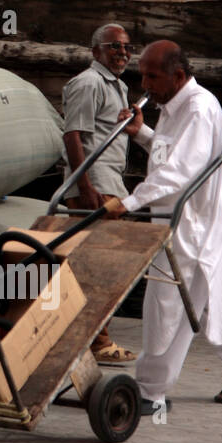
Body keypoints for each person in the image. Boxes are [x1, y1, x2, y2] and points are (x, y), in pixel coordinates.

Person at [106, 41, 222, 417]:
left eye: (152, 76)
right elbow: (174, 155)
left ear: (179, 75)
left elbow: (182, 171)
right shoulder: (172, 106)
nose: (145, 83)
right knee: (220, 299)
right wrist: (141, 133)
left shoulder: (199, 108)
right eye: (143, 75)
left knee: (169, 305)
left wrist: (129, 201)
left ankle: (150, 391)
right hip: (189, 221)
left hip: (196, 224)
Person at [61, 23, 137, 364]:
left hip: (110, 183)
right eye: (114, 47)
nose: (122, 52)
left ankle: (95, 339)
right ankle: (98, 343)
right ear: (96, 52)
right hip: (96, 185)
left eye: (126, 47)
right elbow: (73, 135)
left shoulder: (117, 86)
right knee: (98, 267)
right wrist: (85, 185)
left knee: (105, 266)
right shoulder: (88, 82)